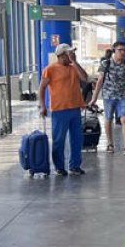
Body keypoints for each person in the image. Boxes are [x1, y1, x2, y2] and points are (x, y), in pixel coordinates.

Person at [38, 43, 90, 176]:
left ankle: (75, 165)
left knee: (77, 139)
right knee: (59, 140)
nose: (72, 55)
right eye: (69, 54)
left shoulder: (73, 68)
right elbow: (42, 88)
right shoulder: (50, 69)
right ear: (61, 55)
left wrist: (75, 62)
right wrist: (43, 106)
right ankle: (59, 166)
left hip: (75, 107)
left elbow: (85, 78)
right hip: (59, 109)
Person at [89, 41, 125, 154]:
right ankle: (110, 144)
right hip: (108, 96)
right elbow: (100, 81)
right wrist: (94, 98)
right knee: (108, 119)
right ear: (114, 51)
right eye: (120, 50)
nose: (123, 52)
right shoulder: (105, 64)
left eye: (124, 50)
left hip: (122, 96)